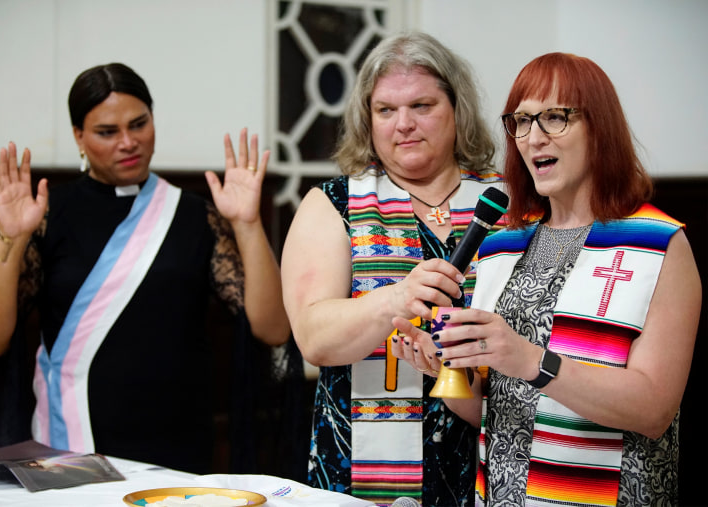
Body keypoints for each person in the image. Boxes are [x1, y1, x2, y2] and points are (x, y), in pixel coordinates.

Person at [393, 52, 701, 506]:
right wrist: (447, 370)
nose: (533, 138)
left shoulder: (659, 245)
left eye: (555, 118)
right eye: (521, 121)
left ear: (600, 129)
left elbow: (654, 410)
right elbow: (489, 411)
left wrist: (529, 359)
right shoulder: (501, 246)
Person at [0, 62, 291, 475]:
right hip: (72, 446)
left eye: (139, 124)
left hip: (176, 449)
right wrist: (10, 236)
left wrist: (247, 224)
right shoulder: (47, 215)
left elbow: (274, 329)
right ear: (78, 137)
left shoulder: (192, 215)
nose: (128, 142)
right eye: (107, 132)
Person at [281, 32, 502, 506]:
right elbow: (314, 338)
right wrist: (395, 299)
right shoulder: (332, 205)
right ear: (367, 118)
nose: (403, 124)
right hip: (363, 466)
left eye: (421, 105)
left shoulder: (505, 203)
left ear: (456, 109)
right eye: (385, 110)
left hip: (494, 454)